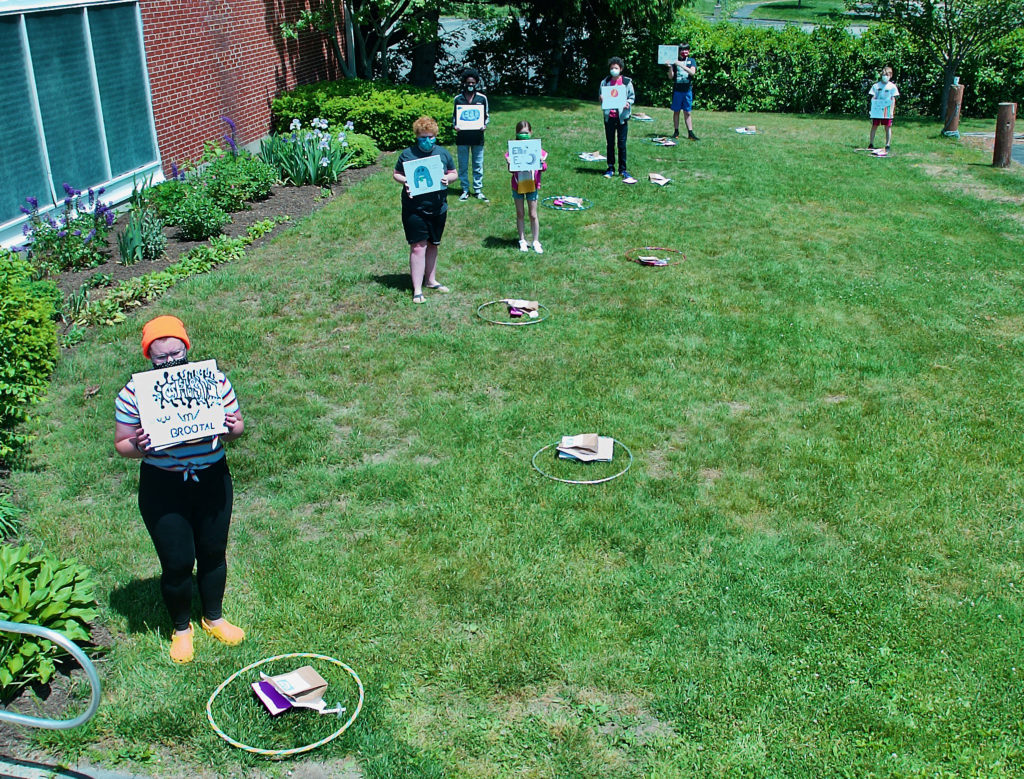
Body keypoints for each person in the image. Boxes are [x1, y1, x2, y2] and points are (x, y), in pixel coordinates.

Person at [114, 315, 245, 664]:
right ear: (149, 356)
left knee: (214, 551)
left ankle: (213, 618)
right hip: (164, 486)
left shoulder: (213, 381)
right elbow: (122, 445)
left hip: (212, 478)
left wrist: (233, 428)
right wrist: (139, 444)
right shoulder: (134, 393)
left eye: (176, 352)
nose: (171, 361)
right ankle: (182, 628)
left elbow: (235, 429)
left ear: (186, 347)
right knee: (177, 561)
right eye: (161, 357)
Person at [393, 116, 458, 304]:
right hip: (414, 208)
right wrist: (407, 181)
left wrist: (449, 179)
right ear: (416, 137)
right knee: (418, 246)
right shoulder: (407, 154)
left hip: (438, 207)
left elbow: (453, 172)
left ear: (435, 136)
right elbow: (397, 174)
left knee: (433, 244)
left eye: (430, 137)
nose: (427, 141)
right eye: (422, 137)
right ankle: (417, 290)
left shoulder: (443, 154)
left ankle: (431, 281)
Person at [504, 120, 548, 254]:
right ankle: (522, 240)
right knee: (520, 213)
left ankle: (535, 241)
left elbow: (543, 168)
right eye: (521, 133)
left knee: (533, 214)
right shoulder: (513, 150)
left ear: (530, 132)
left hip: (532, 184)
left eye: (526, 133)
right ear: (517, 134)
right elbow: (511, 170)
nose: (524, 135)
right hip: (517, 185)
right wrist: (509, 163)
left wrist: (542, 162)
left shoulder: (537, 149)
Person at [453, 68, 490, 202]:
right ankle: (464, 189)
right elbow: (454, 118)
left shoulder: (482, 98)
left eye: (473, 83)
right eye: (468, 83)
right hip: (462, 137)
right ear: (464, 83)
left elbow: (486, 116)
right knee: (463, 164)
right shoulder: (458, 99)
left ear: (476, 83)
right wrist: (455, 126)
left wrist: (484, 125)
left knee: (478, 164)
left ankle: (478, 190)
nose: (470, 85)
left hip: (477, 137)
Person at [599, 57, 637, 184]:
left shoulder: (626, 82)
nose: (613, 70)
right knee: (610, 143)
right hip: (609, 117)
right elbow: (601, 96)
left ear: (620, 69)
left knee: (622, 144)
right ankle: (610, 168)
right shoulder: (605, 82)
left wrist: (627, 103)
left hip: (622, 118)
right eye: (611, 68)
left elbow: (632, 97)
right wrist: (601, 98)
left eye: (616, 68)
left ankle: (623, 169)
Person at [667, 43, 699, 141]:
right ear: (679, 51)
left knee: (687, 112)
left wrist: (681, 65)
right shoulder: (675, 62)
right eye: (682, 50)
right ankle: (676, 131)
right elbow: (670, 76)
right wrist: (670, 67)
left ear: (689, 51)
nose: (684, 52)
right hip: (677, 90)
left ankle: (690, 133)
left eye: (686, 50)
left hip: (687, 91)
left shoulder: (691, 61)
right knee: (676, 111)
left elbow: (692, 72)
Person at [868, 66, 899, 152]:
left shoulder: (892, 86)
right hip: (877, 110)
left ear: (891, 75)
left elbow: (893, 99)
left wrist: (892, 111)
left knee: (887, 127)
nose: (885, 76)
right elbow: (873, 98)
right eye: (884, 74)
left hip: (887, 110)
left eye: (887, 75)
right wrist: (872, 110)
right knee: (874, 126)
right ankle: (871, 143)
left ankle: (887, 144)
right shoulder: (876, 86)